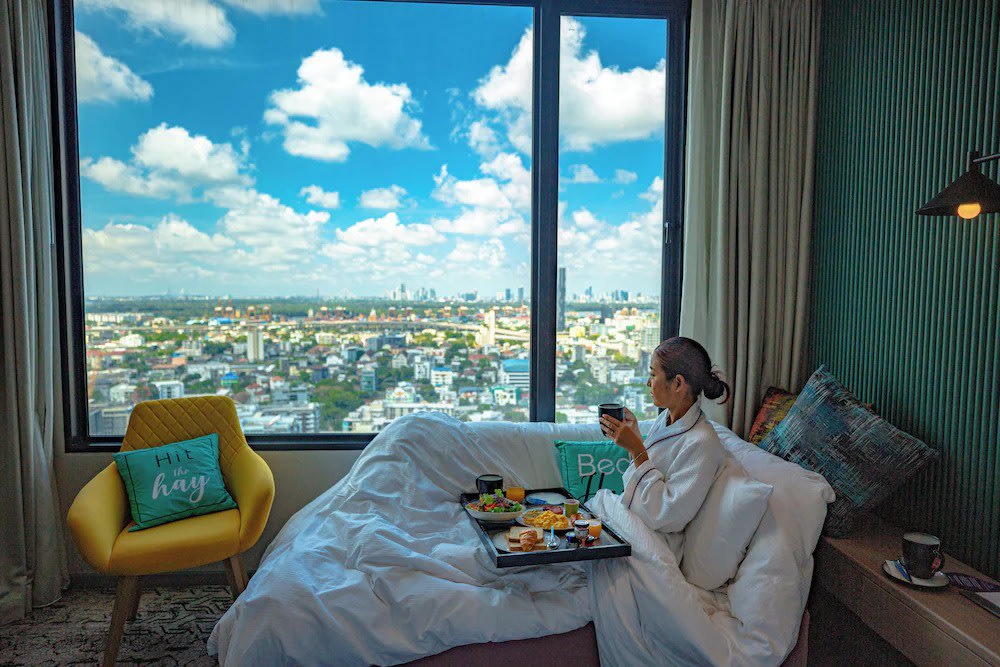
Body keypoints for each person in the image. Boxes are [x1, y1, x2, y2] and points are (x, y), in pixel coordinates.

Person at [599, 336, 731, 559]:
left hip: (653, 546)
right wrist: (635, 439)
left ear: (677, 383)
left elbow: (667, 515)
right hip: (636, 525)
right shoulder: (666, 420)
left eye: (653, 374)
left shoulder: (703, 443)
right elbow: (649, 475)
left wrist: (637, 449)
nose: (648, 383)